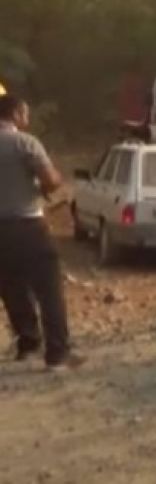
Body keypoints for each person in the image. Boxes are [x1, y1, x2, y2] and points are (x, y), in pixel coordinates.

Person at [0, 95, 81, 371]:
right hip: (28, 225)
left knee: (11, 287)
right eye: (25, 113)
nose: (28, 118)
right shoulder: (25, 143)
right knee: (49, 289)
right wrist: (51, 184)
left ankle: (28, 343)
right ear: (15, 114)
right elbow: (50, 180)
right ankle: (57, 354)